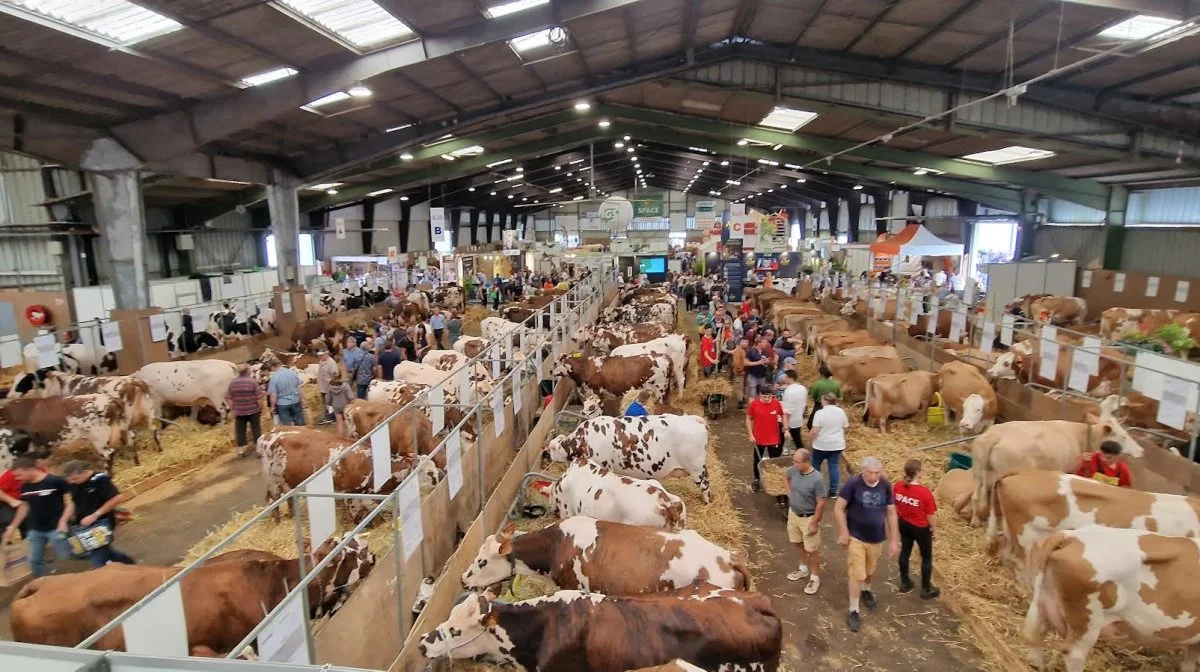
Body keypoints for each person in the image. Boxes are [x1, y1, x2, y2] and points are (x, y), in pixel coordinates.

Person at [835, 456, 900, 633]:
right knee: (857, 573)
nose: (874, 476)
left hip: (877, 537)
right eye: (870, 473)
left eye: (877, 472)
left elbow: (891, 513)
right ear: (863, 471)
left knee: (870, 571)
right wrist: (844, 531)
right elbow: (839, 507)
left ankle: (867, 589)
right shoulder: (853, 484)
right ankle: (853, 610)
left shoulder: (885, 485)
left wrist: (894, 540)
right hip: (856, 536)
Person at [1, 457, 73, 578]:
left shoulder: (55, 481)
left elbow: (73, 502)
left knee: (67, 555)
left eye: (19, 475)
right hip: (35, 530)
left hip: (57, 528)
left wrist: (64, 521)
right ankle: (43, 584)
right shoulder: (25, 487)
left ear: (29, 469)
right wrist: (13, 526)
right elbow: (24, 507)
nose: (17, 479)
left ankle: (102, 553)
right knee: (34, 561)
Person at [61, 461, 135, 568]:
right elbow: (73, 502)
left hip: (101, 522)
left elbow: (117, 497)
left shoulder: (100, 480)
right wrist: (63, 520)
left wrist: (95, 515)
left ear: (84, 472)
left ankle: (100, 574)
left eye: (74, 479)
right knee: (104, 550)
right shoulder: (74, 484)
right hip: (84, 525)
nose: (72, 482)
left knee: (97, 555)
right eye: (70, 480)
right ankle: (130, 565)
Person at [895, 459, 940, 599]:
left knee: (905, 552)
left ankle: (905, 582)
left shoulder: (897, 486)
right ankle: (926, 588)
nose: (924, 472)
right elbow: (930, 515)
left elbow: (894, 504)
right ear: (918, 473)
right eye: (922, 470)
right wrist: (934, 530)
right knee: (926, 557)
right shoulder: (924, 492)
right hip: (920, 527)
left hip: (903, 523)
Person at [786, 448, 825, 594]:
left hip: (808, 517)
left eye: (797, 462)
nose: (794, 464)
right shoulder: (793, 470)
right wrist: (789, 492)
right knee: (796, 542)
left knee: (812, 550)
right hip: (794, 514)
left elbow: (821, 503)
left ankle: (815, 577)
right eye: (794, 461)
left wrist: (815, 522)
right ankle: (803, 569)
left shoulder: (817, 479)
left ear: (807, 462)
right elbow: (786, 476)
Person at [746, 384, 784, 497]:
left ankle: (774, 481)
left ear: (772, 395)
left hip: (773, 438)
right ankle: (757, 479)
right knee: (757, 460)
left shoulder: (776, 404)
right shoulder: (754, 404)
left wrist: (785, 428)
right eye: (764, 396)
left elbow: (783, 415)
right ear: (760, 395)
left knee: (774, 461)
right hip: (759, 438)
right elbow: (748, 418)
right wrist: (750, 434)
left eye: (769, 396)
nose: (767, 399)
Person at [809, 393, 849, 498]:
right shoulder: (841, 412)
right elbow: (845, 428)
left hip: (821, 444)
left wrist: (810, 440)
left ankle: (816, 489)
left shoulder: (819, 413)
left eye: (822, 400)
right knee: (834, 466)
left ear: (825, 401)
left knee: (816, 465)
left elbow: (815, 430)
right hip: (836, 445)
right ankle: (833, 491)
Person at [225, 363, 264, 457]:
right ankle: (259, 450)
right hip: (253, 410)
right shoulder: (252, 382)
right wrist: (261, 408)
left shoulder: (232, 383)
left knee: (240, 431)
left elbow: (228, 397)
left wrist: (233, 408)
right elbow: (259, 397)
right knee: (256, 429)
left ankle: (241, 451)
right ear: (247, 371)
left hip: (239, 411)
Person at [267, 362, 305, 426]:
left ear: (273, 367)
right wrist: (302, 400)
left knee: (287, 424)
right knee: (299, 422)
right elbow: (299, 388)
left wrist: (272, 406)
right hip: (295, 401)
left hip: (282, 403)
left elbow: (273, 394)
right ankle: (301, 434)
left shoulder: (274, 377)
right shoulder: (293, 373)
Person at [780, 370, 808, 452]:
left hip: (789, 421)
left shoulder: (789, 391)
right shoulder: (803, 389)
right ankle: (803, 456)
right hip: (798, 419)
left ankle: (777, 456)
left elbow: (787, 411)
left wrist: (785, 427)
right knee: (798, 440)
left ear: (789, 378)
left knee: (780, 441)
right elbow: (804, 404)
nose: (784, 378)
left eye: (785, 377)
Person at [315, 349, 338, 424]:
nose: (320, 356)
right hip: (323, 386)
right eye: (319, 355)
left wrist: (333, 385)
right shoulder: (321, 362)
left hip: (329, 386)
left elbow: (335, 374)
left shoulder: (331, 363)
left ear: (327, 354)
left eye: (322, 355)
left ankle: (332, 417)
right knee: (326, 403)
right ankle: (329, 416)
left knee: (330, 403)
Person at [744, 338, 768, 410]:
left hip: (762, 375)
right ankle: (751, 410)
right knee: (752, 394)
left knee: (762, 393)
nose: (766, 344)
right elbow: (746, 363)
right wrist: (757, 363)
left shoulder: (765, 351)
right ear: (759, 343)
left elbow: (766, 362)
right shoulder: (751, 351)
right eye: (764, 342)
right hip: (753, 375)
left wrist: (766, 362)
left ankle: (761, 409)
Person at [731, 337, 749, 409]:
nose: (745, 343)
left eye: (746, 342)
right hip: (740, 372)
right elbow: (736, 362)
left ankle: (742, 398)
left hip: (745, 372)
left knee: (744, 386)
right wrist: (740, 371)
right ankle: (740, 401)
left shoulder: (745, 350)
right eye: (743, 342)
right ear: (740, 342)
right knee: (739, 386)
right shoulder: (738, 350)